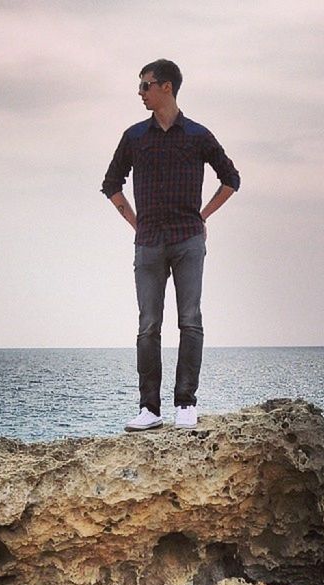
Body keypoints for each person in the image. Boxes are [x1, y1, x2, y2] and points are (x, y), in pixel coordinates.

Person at [101, 59, 240, 431]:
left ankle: (186, 404)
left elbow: (231, 179)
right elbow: (111, 183)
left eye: (146, 85)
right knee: (148, 326)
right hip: (148, 243)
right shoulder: (134, 137)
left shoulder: (197, 135)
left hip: (187, 240)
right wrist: (135, 221)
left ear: (167, 87)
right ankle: (149, 409)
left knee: (190, 320)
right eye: (140, 85)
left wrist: (203, 216)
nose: (140, 92)